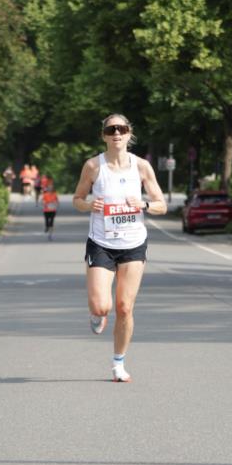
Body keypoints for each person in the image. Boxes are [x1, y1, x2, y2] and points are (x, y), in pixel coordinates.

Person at [73, 113, 166, 382]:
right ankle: (97, 314)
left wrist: (144, 205)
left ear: (129, 133)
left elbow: (161, 205)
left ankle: (118, 363)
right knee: (102, 306)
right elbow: (77, 198)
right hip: (101, 242)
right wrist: (90, 205)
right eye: (111, 129)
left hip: (133, 243)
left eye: (121, 129)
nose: (116, 133)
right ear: (104, 135)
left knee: (125, 307)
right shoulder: (93, 166)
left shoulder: (141, 167)